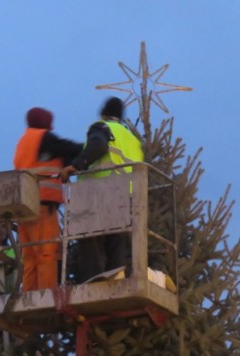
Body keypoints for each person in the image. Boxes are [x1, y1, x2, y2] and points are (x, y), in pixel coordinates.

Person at [60, 97, 144, 283]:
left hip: (100, 190)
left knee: (89, 237)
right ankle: (116, 275)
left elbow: (98, 146)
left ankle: (94, 280)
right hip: (125, 194)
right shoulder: (132, 138)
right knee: (115, 238)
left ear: (104, 113)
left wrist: (75, 166)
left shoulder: (102, 127)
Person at [13, 107, 83, 291]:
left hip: (23, 208)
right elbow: (70, 147)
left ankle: (29, 297)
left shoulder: (24, 141)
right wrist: (88, 151)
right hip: (42, 207)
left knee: (30, 258)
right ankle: (45, 297)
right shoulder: (44, 138)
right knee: (46, 254)